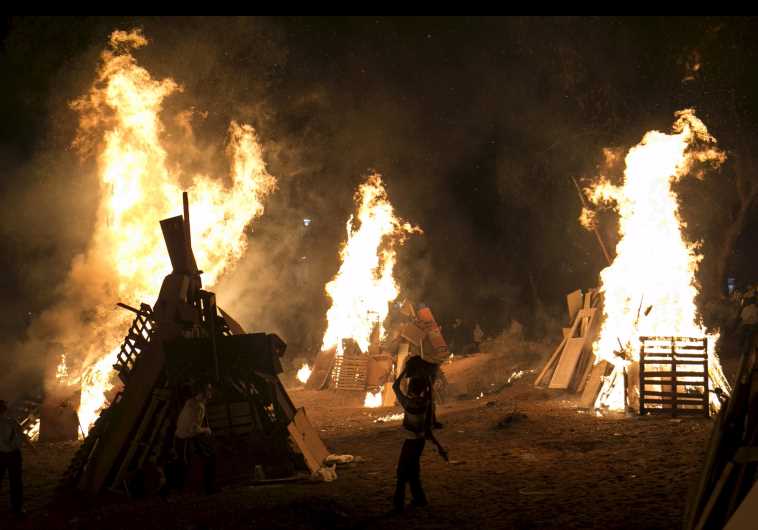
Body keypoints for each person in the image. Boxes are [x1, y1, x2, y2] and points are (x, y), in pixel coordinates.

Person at [391, 368, 446, 513]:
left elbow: (395, 386)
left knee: (402, 473)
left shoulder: (408, 403)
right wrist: (439, 447)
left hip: (410, 443)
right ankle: (420, 499)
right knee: (413, 471)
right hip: (419, 442)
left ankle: (398, 504)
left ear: (411, 389)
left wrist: (404, 371)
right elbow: (428, 430)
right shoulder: (425, 403)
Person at [174, 381, 217, 494]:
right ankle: (208, 488)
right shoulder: (198, 407)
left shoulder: (190, 402)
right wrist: (206, 430)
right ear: (203, 392)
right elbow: (193, 429)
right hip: (185, 439)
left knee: (206, 457)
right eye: (209, 389)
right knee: (187, 465)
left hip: (182, 438)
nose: (211, 391)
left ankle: (207, 487)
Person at [0, 400, 25, 517]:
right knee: (15, 482)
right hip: (13, 456)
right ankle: (17, 509)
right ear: (5, 410)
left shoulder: (12, 423)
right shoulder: (12, 423)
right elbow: (19, 441)